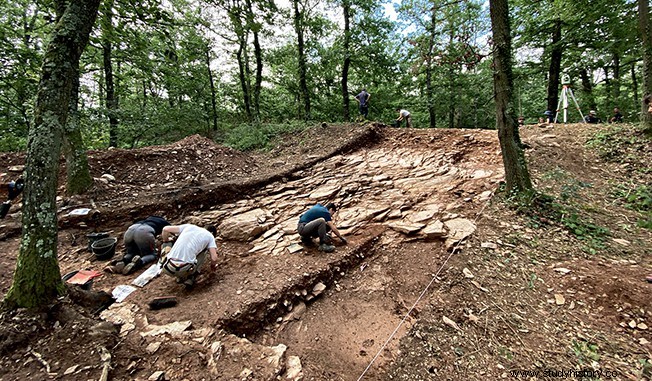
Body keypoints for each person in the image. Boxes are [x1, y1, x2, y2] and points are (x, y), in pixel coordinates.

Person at [105, 216, 170, 275]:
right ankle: (139, 262)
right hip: (144, 231)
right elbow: (168, 232)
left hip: (131, 230)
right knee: (151, 254)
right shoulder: (164, 222)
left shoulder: (147, 219)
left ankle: (124, 260)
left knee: (131, 252)